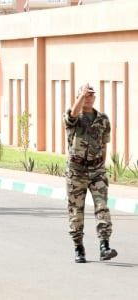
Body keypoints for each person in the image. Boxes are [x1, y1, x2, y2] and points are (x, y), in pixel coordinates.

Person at [65, 83, 117, 263]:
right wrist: (80, 96)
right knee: (76, 211)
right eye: (85, 95)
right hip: (76, 171)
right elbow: (72, 114)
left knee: (102, 206)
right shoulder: (73, 116)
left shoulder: (103, 119)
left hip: (97, 171)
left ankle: (105, 245)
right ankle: (78, 247)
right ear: (79, 97)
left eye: (91, 95)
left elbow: (104, 144)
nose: (88, 98)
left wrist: (100, 165)